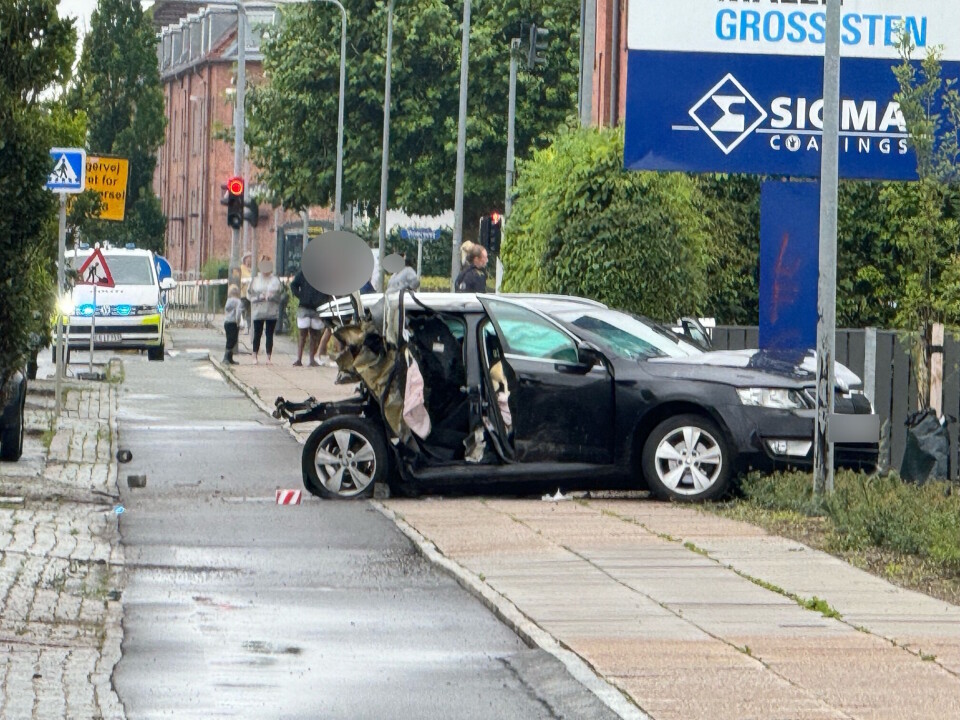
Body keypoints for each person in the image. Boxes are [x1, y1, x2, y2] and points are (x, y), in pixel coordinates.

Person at [290, 268, 332, 367]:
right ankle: (305, 359)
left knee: (310, 335)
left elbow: (293, 285)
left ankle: (305, 359)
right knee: (307, 334)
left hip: (311, 307)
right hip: (312, 307)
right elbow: (293, 285)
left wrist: (301, 296)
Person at [247, 256, 282, 365]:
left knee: (269, 334)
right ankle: (254, 355)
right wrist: (258, 297)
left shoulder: (275, 280)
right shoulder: (256, 280)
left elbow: (280, 295)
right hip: (259, 310)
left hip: (271, 311)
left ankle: (268, 357)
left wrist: (272, 296)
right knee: (257, 333)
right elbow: (249, 294)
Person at [223, 284, 241, 365]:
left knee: (229, 339)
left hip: (227, 322)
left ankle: (229, 358)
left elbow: (226, 310)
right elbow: (238, 312)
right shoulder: (238, 301)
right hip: (233, 322)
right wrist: (238, 321)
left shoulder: (228, 300)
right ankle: (226, 357)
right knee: (233, 340)